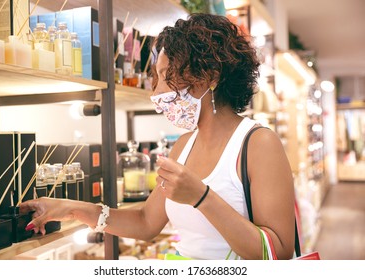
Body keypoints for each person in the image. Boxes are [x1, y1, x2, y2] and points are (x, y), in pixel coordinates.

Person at [20, 13, 295, 260]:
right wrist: (70, 209)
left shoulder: (259, 144)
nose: (156, 93)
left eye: (165, 76)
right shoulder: (185, 146)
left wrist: (201, 197)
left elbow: (277, 252)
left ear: (209, 76)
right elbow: (145, 222)